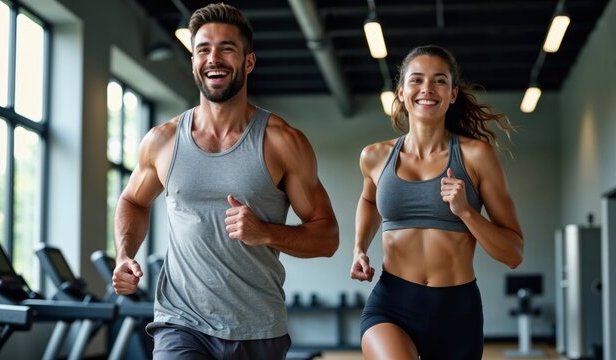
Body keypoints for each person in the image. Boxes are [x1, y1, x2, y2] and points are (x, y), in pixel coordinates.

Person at [111, 3, 339, 359]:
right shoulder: (163, 141)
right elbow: (133, 201)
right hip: (181, 322)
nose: (213, 58)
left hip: (258, 327)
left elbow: (327, 237)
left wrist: (266, 232)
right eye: (203, 49)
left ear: (248, 62)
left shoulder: (281, 141)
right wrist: (124, 254)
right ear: (193, 62)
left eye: (226, 49)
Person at [350, 45, 524, 360]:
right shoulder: (374, 156)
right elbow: (368, 199)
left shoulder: (476, 156)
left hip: (456, 312)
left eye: (439, 81)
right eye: (416, 80)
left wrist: (466, 213)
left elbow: (513, 254)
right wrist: (359, 247)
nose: (427, 89)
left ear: (453, 94)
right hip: (391, 304)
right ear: (401, 92)